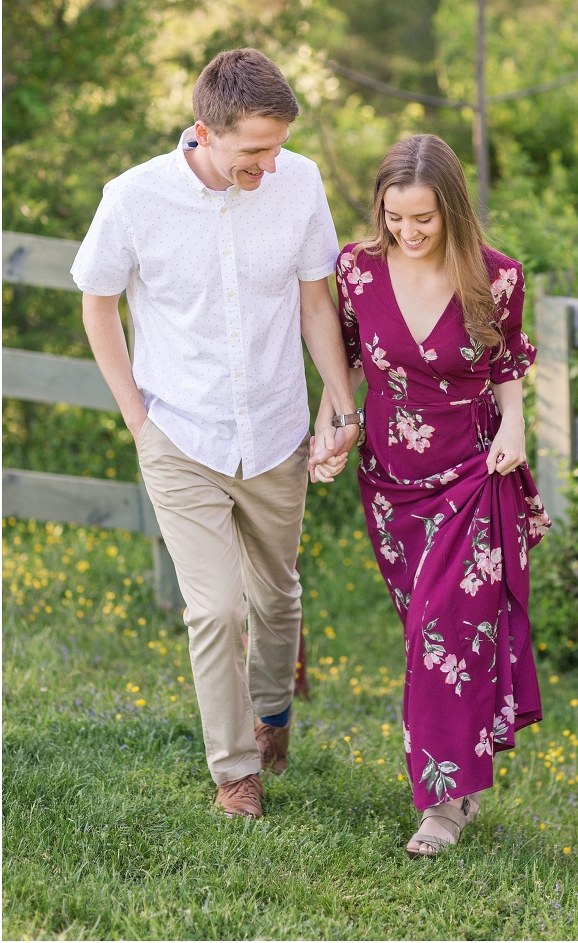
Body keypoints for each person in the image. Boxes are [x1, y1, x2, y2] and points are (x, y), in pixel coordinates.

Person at [71, 48, 359, 818]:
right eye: (254, 151)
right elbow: (97, 303)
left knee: (276, 595)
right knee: (215, 608)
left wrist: (340, 398)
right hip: (178, 430)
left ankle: (273, 714)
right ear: (204, 131)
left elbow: (313, 301)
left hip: (273, 428)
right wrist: (138, 418)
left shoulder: (297, 180)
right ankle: (237, 771)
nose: (271, 163)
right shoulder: (132, 199)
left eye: (277, 146)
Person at [312, 134, 551, 856]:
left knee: (444, 633)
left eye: (424, 219)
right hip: (391, 485)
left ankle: (442, 806)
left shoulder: (497, 276)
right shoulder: (355, 269)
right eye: (395, 218)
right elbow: (347, 362)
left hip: (475, 475)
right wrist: (331, 427)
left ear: (451, 209)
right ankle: (464, 782)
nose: (408, 233)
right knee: (431, 634)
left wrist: (515, 424)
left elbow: (507, 362)